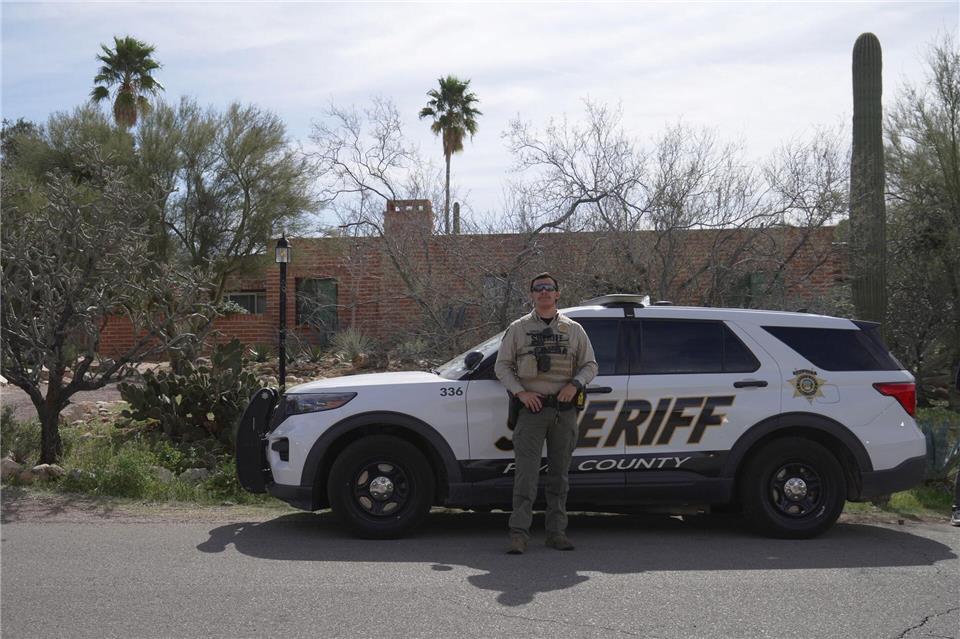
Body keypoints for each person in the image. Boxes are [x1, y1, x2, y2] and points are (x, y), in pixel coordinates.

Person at [495, 273, 598, 554]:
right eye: (538, 288)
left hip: (563, 412)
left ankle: (556, 533)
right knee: (526, 476)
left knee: (559, 476)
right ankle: (519, 534)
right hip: (531, 410)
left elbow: (590, 366)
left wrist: (575, 384)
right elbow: (502, 367)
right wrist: (521, 393)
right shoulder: (518, 329)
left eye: (548, 288)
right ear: (531, 294)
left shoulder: (574, 329)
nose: (543, 293)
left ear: (557, 294)